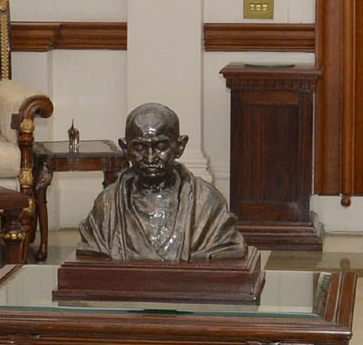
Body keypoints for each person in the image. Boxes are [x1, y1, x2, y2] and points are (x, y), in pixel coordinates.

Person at [76, 103, 247, 262]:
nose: (150, 157)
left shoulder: (208, 204)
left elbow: (228, 247)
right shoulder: (107, 206)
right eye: (140, 147)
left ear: (180, 146)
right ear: (125, 149)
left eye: (161, 146)